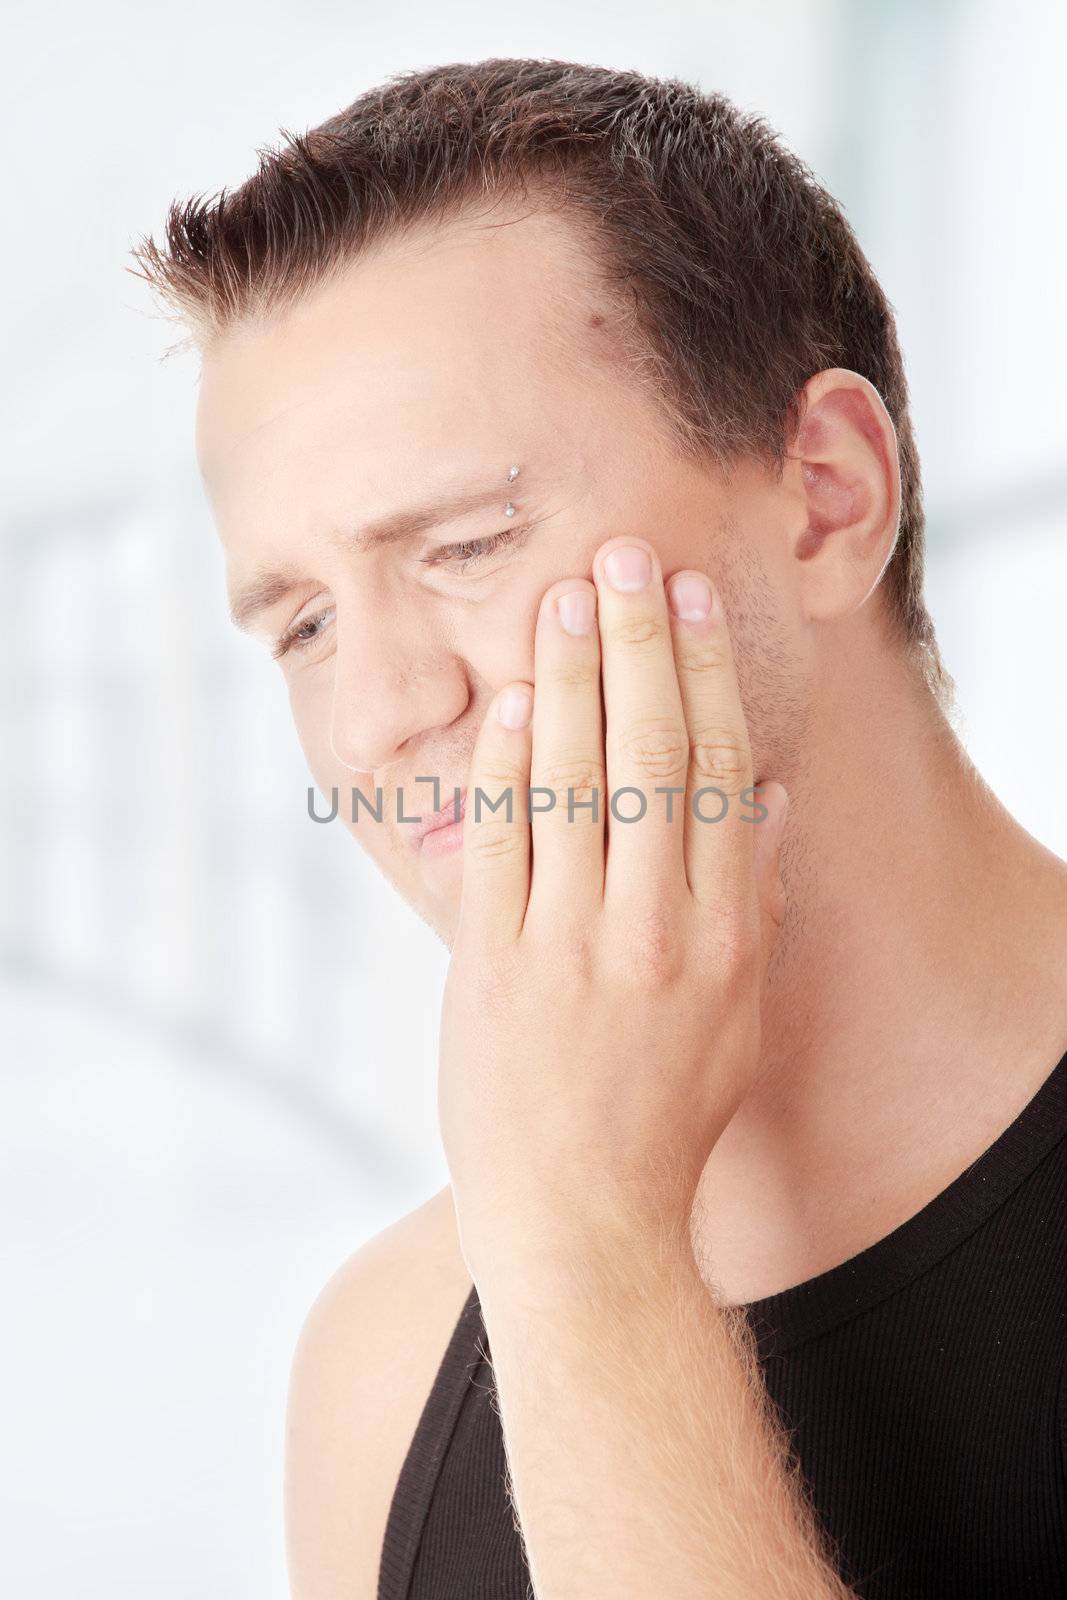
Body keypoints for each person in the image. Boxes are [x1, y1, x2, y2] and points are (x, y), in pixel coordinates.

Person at [129, 58, 1067, 1599]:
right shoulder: (383, 1374)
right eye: (300, 625)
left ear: (827, 495)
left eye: (467, 545)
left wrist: (586, 1246)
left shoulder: (548, 1256)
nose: (376, 714)